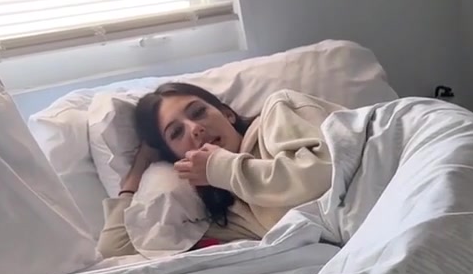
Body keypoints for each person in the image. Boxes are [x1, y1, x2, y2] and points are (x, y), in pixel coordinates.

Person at [97, 82, 343, 257]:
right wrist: (138, 169)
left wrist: (220, 167)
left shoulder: (278, 110)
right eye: (177, 132)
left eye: (198, 112)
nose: (195, 128)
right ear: (177, 158)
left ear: (227, 114)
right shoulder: (227, 214)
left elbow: (326, 174)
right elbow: (117, 248)